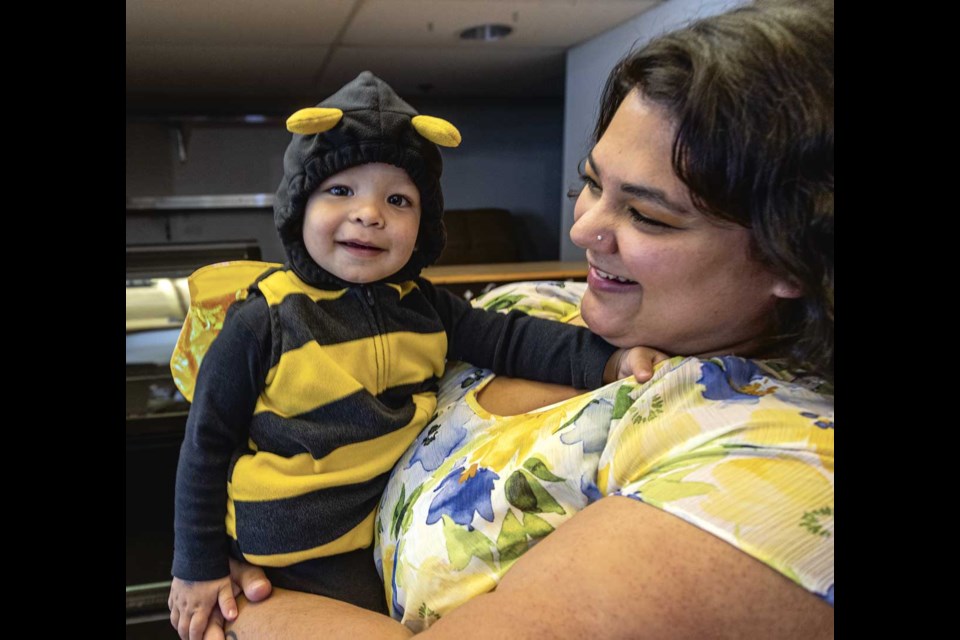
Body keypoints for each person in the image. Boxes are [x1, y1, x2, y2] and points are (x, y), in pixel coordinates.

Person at [202, 0, 835, 637]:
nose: (582, 229)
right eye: (589, 185)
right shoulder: (534, 303)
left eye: (647, 215)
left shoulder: (777, 464)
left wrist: (244, 604)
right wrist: (229, 537)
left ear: (796, 255)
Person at [167, 71, 664, 640]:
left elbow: (511, 340)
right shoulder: (264, 319)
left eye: (397, 199)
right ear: (298, 206)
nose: (370, 213)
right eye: (340, 191)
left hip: (364, 537)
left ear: (422, 227)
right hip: (282, 550)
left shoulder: (426, 307)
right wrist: (197, 566)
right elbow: (205, 445)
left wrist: (608, 362)